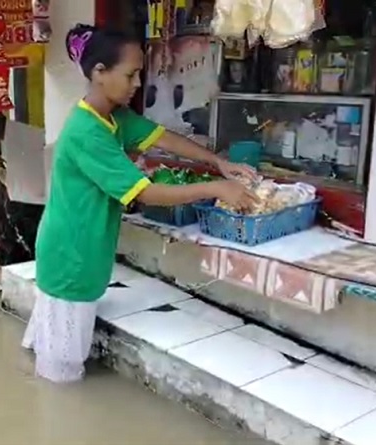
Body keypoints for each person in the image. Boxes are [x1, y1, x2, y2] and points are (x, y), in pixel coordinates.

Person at [21, 24, 259, 383]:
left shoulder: (112, 116)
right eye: (131, 75)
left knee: (51, 349)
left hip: (79, 251)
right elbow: (145, 192)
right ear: (99, 73)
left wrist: (217, 162)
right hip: (71, 257)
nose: (137, 84)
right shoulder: (88, 132)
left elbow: (161, 138)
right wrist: (217, 187)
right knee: (61, 377)